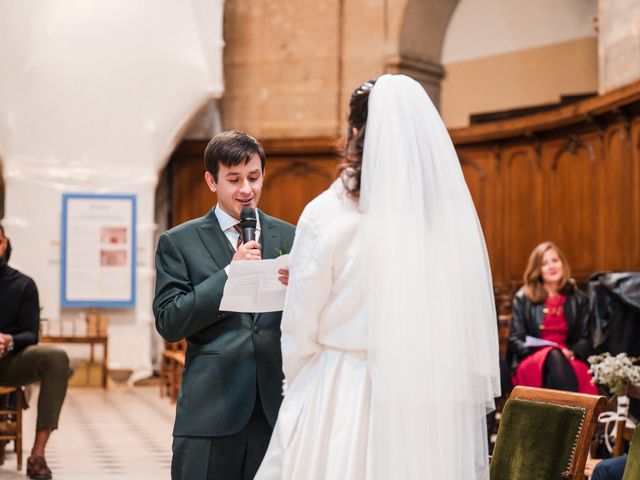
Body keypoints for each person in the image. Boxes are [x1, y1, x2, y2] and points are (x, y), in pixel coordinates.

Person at [255, 74, 501, 479]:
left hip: (344, 390)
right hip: (425, 391)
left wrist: (299, 383)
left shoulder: (328, 212)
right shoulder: (443, 219)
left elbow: (301, 326)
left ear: (354, 132)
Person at [153, 131, 295, 480]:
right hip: (211, 407)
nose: (246, 189)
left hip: (276, 404)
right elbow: (170, 321)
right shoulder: (179, 241)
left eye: (253, 177)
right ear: (211, 181)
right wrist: (230, 273)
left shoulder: (291, 236)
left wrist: (302, 291)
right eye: (233, 179)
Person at [0, 223, 70, 480]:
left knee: (56, 358)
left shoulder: (23, 285)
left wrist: (8, 340)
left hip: (8, 362)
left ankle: (37, 455)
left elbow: (31, 334)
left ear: (4, 244)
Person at [508, 241, 597, 394]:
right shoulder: (523, 297)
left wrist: (572, 353)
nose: (551, 266)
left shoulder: (579, 299)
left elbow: (585, 338)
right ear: (538, 270)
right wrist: (548, 351)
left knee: (566, 366)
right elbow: (516, 339)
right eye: (544, 263)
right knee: (553, 355)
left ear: (562, 264)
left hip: (570, 358)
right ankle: (572, 411)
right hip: (533, 360)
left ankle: (563, 413)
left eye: (555, 260)